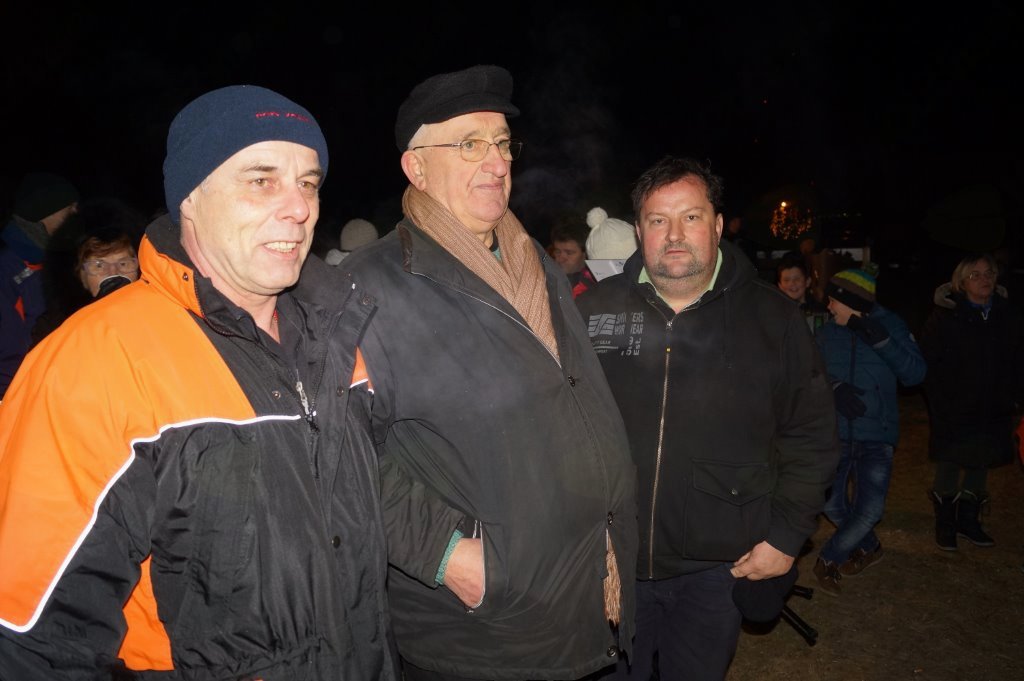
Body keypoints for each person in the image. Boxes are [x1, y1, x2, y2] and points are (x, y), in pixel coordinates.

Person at [0, 85, 397, 680]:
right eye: (261, 180)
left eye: (308, 182)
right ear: (190, 198)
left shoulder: (340, 338)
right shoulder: (95, 361)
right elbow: (29, 639)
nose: (299, 208)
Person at [338, 64, 638, 681]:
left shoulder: (537, 267)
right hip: (484, 630)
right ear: (416, 167)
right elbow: (342, 454)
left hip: (580, 589)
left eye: (502, 143)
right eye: (470, 144)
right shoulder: (367, 288)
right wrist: (448, 554)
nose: (497, 162)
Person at [575, 155, 838, 680]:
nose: (674, 234)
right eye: (658, 220)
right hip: (610, 560)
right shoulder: (592, 311)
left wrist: (786, 536)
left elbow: (810, 436)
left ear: (717, 226)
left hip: (720, 568)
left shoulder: (773, 319)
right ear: (639, 230)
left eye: (691, 217)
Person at [812, 268, 926, 595]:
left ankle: (828, 559)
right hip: (836, 434)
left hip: (877, 434)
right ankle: (871, 547)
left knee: (870, 509)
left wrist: (882, 341)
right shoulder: (827, 332)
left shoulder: (891, 326)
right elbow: (808, 373)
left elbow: (915, 374)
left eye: (833, 299)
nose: (829, 305)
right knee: (831, 504)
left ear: (851, 300)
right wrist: (833, 387)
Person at [919, 253, 1024, 550]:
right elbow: (929, 363)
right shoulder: (945, 317)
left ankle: (969, 520)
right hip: (955, 404)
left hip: (994, 404)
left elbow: (1018, 359)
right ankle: (946, 523)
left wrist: (1015, 395)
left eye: (989, 273)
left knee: (982, 460)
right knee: (951, 460)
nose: (984, 279)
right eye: (975, 275)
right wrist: (940, 400)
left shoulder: (1007, 316)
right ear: (961, 282)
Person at [0, 172, 79, 393]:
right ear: (44, 212)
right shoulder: (8, 267)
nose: (76, 214)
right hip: (24, 390)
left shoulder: (60, 256)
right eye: (69, 208)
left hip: (61, 382)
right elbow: (8, 349)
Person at [775, 251, 829, 332]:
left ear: (807, 282)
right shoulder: (774, 312)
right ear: (780, 285)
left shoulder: (820, 310)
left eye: (797, 279)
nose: (792, 284)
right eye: (786, 280)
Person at [550, 215, 596, 297]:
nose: (561, 259)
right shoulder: (547, 279)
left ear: (586, 255)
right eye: (557, 251)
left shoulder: (595, 288)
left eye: (569, 253)